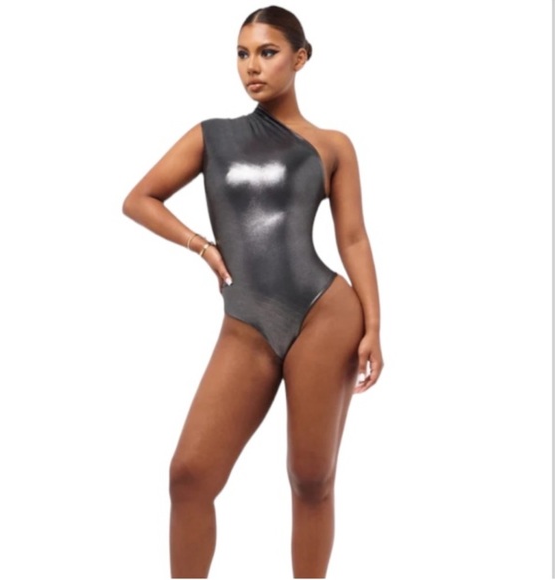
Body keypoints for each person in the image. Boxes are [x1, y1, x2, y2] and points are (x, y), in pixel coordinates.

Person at [122, 5, 384, 578]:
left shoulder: (332, 145)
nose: (252, 66)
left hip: (324, 315)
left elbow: (354, 238)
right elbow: (139, 199)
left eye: (267, 52)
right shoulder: (212, 136)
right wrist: (202, 246)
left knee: (311, 479)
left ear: (300, 58)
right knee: (189, 476)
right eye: (242, 54)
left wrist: (374, 327)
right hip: (245, 321)